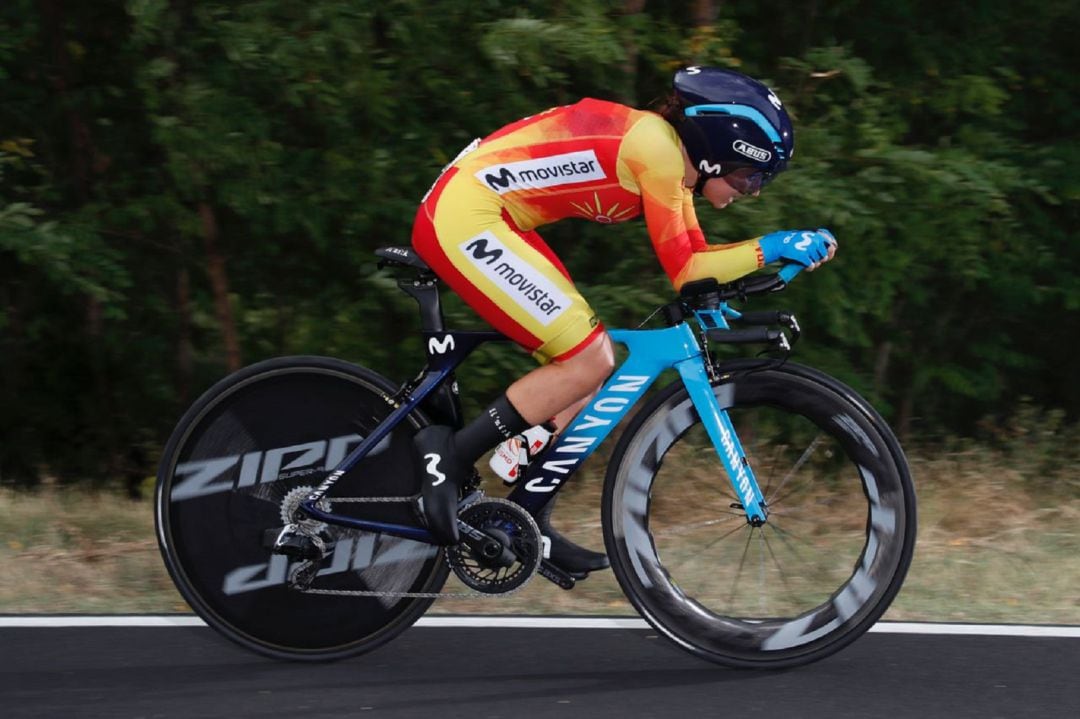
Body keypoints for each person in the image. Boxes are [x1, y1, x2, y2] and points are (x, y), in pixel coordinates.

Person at [409, 66, 837, 577]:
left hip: (492, 215)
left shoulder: (672, 164)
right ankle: (449, 458)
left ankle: (527, 512)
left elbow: (698, 257)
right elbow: (689, 271)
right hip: (466, 215)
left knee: (589, 371)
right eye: (751, 177)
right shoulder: (654, 151)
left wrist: (720, 290)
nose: (754, 191)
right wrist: (776, 245)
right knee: (589, 357)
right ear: (717, 149)